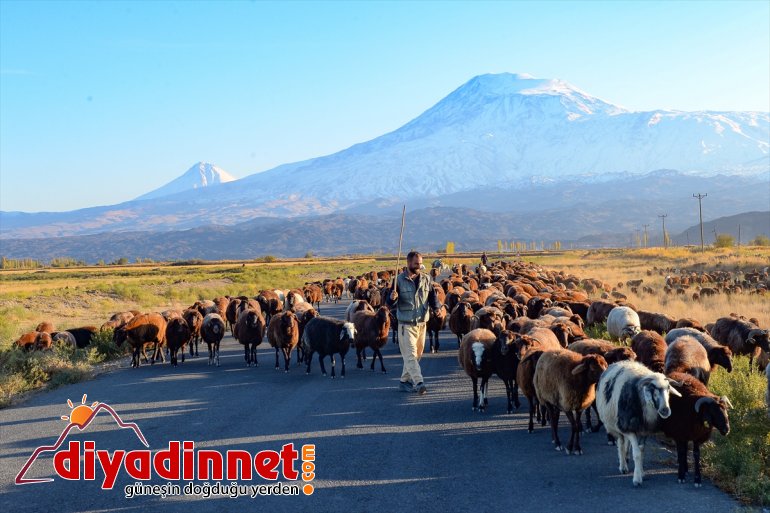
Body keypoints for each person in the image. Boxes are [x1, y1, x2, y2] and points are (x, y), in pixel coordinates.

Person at [387, 251, 441, 395]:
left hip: (422, 323)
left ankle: (404, 381)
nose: (419, 266)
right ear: (408, 263)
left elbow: (432, 297)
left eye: (420, 263)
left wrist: (437, 308)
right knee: (410, 355)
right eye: (416, 263)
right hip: (406, 324)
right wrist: (392, 298)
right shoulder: (398, 280)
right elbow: (389, 303)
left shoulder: (426, 278)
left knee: (416, 355)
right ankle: (419, 382)